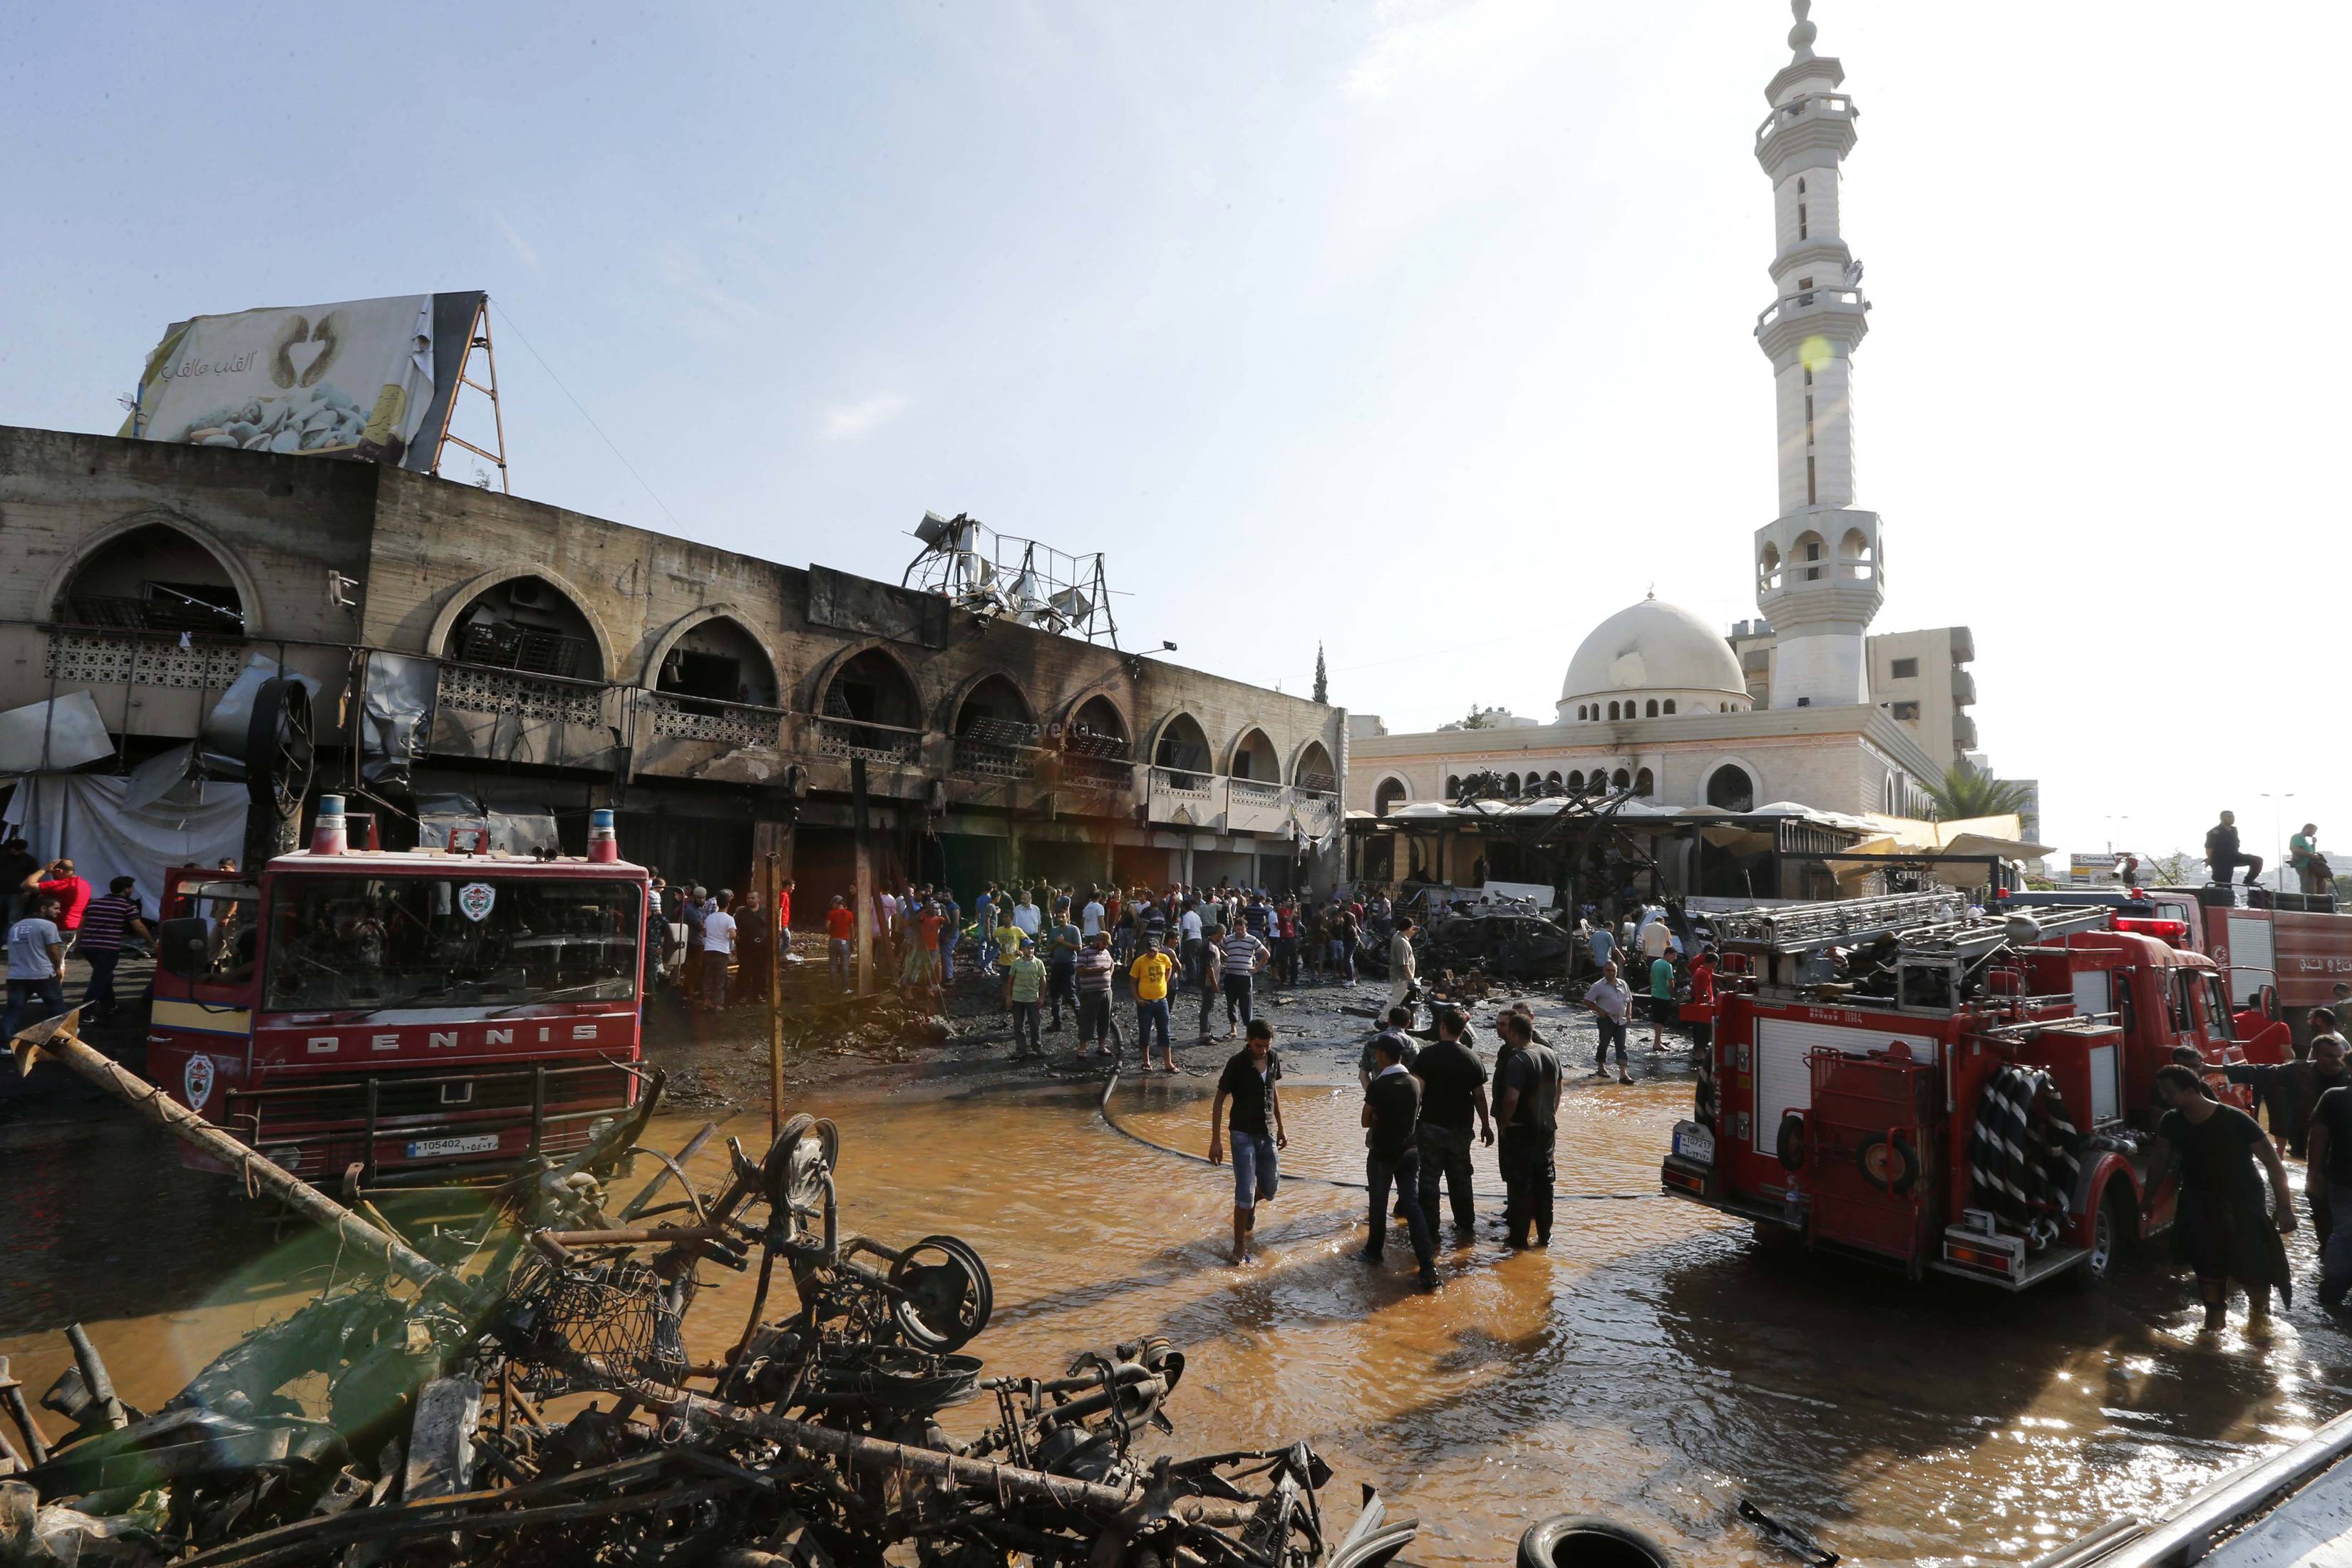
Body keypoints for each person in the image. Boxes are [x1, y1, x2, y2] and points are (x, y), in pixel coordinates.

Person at [2145, 1063, 2296, 1330]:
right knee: (2206, 1264)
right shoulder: (2172, 1121)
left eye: (2169, 1092)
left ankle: (2260, 1322)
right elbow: (2159, 1161)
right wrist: (2147, 1200)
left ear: (2191, 1090)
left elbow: (2273, 1164)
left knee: (2253, 1267)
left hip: (2244, 1202)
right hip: (2198, 1202)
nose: (2164, 1098)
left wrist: (2284, 1208)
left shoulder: (2236, 1119)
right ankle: (2213, 1327)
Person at [1360, 1031, 1438, 1290]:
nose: (1375, 1056)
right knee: (1413, 1205)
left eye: (1377, 1052)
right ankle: (1427, 1265)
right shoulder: (1414, 1082)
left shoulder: (1379, 1085)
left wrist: (1378, 1119)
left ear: (1383, 1055)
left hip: (1383, 1153)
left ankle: (1373, 1252)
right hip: (1410, 1152)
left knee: (1378, 1203)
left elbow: (1365, 1120)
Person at [1207, 1018, 1287, 1264]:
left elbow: (1273, 1090)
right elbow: (1219, 1101)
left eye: (1266, 1046)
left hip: (1266, 1132)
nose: (1262, 1051)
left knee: (1270, 1189)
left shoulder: (1273, 1058)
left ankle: (1251, 1206)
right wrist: (1216, 1140)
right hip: (1241, 1134)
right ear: (1248, 1041)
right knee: (1244, 1190)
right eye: (1258, 1046)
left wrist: (1281, 1126)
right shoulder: (1237, 1064)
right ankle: (1239, 1246)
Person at [1412, 1004, 1492, 1240]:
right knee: (1461, 1178)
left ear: (1443, 1027)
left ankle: (1430, 1228)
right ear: (1463, 1030)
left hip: (1431, 1126)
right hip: (1461, 1129)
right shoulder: (1472, 1058)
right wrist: (1486, 1126)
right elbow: (1479, 1096)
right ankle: (1465, 1227)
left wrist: (1410, 1123)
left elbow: (1418, 1093)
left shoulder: (1427, 1056)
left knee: (1429, 1178)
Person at [2224, 1028, 2351, 1160]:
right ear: (2315, 1055)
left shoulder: (2349, 1076)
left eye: (2340, 1056)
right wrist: (2215, 1069)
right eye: (2330, 1056)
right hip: (2305, 1141)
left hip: (2343, 1142)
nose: (2337, 1060)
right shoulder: (2298, 1072)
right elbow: (2260, 1072)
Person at [1492, 1009, 1562, 1249]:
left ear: (1513, 1033)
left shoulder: (1519, 1059)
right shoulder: (1550, 1054)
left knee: (1519, 1186)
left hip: (1522, 1130)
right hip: (1546, 1131)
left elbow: (1512, 1097)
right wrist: (1550, 1114)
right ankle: (1544, 1238)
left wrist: (1504, 1122)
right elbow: (1559, 1090)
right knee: (1545, 1185)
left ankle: (1518, 1241)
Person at [2304, 1037, 2352, 1318]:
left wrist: (2314, 1172)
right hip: (2343, 1178)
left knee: (2343, 1233)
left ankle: (2333, 1291)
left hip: (2342, 1177)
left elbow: (2318, 1137)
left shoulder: (2334, 1096)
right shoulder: (2334, 1097)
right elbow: (2318, 1135)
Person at [73, 876, 150, 1021]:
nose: (132, 890)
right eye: (131, 888)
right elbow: (139, 927)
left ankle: (109, 1005)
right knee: (99, 980)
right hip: (107, 948)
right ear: (127, 889)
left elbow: (82, 925)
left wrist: (77, 944)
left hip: (88, 946)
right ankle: (85, 1014)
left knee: (104, 976)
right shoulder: (127, 906)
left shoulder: (94, 904)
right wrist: (151, 943)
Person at [4, 892, 66, 1041]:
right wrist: (58, 968)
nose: (59, 911)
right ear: (43, 908)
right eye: (55, 908)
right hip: (42, 974)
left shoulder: (15, 927)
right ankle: (58, 1037)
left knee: (13, 1011)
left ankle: (4, 1044)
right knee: (56, 1006)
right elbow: (53, 950)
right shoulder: (48, 926)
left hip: (16, 975)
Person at [1130, 932, 1177, 1073]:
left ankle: (1168, 1062)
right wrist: (1137, 999)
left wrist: (1165, 981)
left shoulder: (1164, 958)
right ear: (1146, 950)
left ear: (1159, 949)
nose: (1152, 953)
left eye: (1154, 951)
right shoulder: (1139, 962)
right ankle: (1146, 1061)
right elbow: (1132, 982)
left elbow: (1169, 968)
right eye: (1150, 951)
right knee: (1145, 1032)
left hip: (1161, 1001)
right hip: (1145, 1002)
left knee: (1165, 1032)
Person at [1218, 919, 1271, 1039]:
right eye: (1238, 929)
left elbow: (1266, 954)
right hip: (1231, 975)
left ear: (1246, 928)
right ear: (1234, 928)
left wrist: (1257, 969)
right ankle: (1233, 1029)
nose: (1240, 932)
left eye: (1242, 930)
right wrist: (1226, 957)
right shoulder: (1228, 939)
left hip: (1245, 977)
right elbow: (1218, 947)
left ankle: (1248, 1032)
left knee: (1246, 1004)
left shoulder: (1252, 940)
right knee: (1231, 1003)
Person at [21, 858, 93, 944]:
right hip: (74, 929)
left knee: (49, 953)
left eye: (53, 873)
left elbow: (26, 885)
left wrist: (44, 869)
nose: (53, 876)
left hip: (58, 928)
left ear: (59, 871)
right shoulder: (85, 884)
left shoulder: (61, 885)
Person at [1584, 959, 1633, 1083]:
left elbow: (1629, 1001)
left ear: (1617, 971)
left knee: (1621, 1046)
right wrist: (1599, 1010)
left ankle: (1623, 1074)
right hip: (1606, 1019)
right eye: (1608, 970)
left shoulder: (1623, 984)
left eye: (1614, 971)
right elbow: (1587, 1000)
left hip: (1621, 1020)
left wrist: (1629, 1014)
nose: (1611, 973)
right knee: (1604, 1043)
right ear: (1604, 971)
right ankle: (1601, 1067)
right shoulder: (1598, 986)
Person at [1073, 931, 1117, 1064]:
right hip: (1090, 991)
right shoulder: (1085, 952)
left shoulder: (1106, 952)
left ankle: (1102, 1046)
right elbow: (1080, 970)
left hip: (1106, 991)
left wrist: (1109, 975)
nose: (1105, 946)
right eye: (1104, 944)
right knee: (1087, 1019)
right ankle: (1082, 1048)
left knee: (1105, 1019)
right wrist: (1098, 970)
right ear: (1099, 941)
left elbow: (1112, 964)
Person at [1358, 1005, 1418, 1090]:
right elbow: (1418, 1076)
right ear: (1408, 1023)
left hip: (1379, 1091)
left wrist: (1371, 1094)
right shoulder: (1411, 1044)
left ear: (1389, 1021)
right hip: (1403, 1093)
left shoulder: (1373, 1040)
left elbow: (1363, 1075)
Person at [1006, 937, 1046, 1058]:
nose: (1031, 951)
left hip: (1033, 998)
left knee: (1035, 1024)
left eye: (1032, 948)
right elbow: (1010, 980)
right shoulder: (1016, 963)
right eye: (1028, 948)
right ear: (1022, 949)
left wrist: (1041, 997)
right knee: (1018, 1025)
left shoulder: (1038, 963)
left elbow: (1043, 981)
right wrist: (1009, 997)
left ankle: (1037, 1047)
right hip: (1018, 998)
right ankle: (1021, 1050)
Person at [1045, 906, 1082, 1033]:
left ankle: (1081, 1019)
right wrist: (1057, 943)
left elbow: (1079, 947)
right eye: (1059, 917)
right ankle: (1057, 1022)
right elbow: (1048, 948)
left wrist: (1063, 943)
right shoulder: (1054, 930)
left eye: (1063, 917)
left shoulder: (1073, 929)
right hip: (1057, 964)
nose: (1061, 919)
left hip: (1069, 964)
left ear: (1067, 918)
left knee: (1070, 992)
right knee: (1055, 994)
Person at [2205, 810, 2263, 889]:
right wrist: (2209, 859)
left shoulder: (2234, 830)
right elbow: (2209, 847)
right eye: (2229, 817)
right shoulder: (2214, 832)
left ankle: (2249, 880)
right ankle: (2221, 895)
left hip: (2234, 856)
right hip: (2221, 860)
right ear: (2222, 818)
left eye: (2233, 817)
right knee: (2224, 884)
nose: (2232, 819)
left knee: (2257, 861)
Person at [732, 889, 771, 1004]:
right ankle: (742, 995)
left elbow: (772, 928)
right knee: (744, 970)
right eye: (748, 898)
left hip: (762, 947)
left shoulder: (766, 912)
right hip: (745, 947)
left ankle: (759, 994)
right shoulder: (741, 913)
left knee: (760, 971)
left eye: (753, 898)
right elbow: (735, 929)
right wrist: (734, 945)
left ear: (758, 899)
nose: (750, 900)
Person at [701, 891, 737, 1009]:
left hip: (708, 950)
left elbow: (704, 933)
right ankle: (718, 1003)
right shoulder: (729, 919)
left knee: (708, 976)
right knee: (720, 977)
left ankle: (707, 1001)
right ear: (728, 904)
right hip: (722, 951)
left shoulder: (709, 918)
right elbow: (733, 935)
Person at [1386, 917, 1419, 1028]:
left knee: (1399, 999)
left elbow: (1406, 937)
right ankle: (1383, 1020)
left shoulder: (1398, 936)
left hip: (1400, 976)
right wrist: (1411, 980)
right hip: (1401, 977)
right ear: (1409, 928)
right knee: (1396, 1000)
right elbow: (1404, 964)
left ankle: (1394, 1021)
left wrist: (1411, 933)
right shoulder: (1402, 942)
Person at [1648, 951, 1677, 1051]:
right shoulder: (1668, 965)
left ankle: (1658, 1040)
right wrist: (1672, 994)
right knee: (1660, 1021)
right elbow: (1671, 982)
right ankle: (1657, 1043)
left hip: (1655, 993)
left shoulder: (1655, 963)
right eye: (1674, 955)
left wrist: (1654, 987)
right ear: (1668, 954)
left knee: (1657, 1019)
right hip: (1663, 996)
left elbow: (1651, 978)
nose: (1675, 958)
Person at [825, 895, 855, 990]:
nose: (832, 906)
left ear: (836, 903)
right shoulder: (850, 914)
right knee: (845, 966)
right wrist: (852, 943)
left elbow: (827, 927)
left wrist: (833, 930)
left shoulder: (831, 914)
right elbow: (852, 930)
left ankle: (833, 988)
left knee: (833, 965)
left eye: (833, 904)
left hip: (833, 941)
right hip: (844, 942)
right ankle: (845, 989)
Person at [2290, 823, 2324, 896]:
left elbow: (2312, 852)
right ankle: (2308, 902)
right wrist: (2312, 856)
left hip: (2311, 867)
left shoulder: (2306, 841)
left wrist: (2314, 844)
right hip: (2304, 866)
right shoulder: (2297, 837)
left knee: (2318, 888)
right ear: (2307, 829)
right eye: (2314, 831)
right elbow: (2296, 849)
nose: (2314, 833)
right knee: (2309, 889)